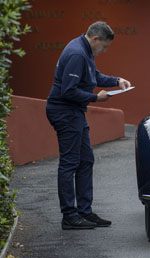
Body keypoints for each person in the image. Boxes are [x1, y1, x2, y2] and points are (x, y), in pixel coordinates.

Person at [46, 21, 131, 230]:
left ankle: (84, 212)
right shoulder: (77, 53)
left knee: (85, 160)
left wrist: (117, 80)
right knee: (70, 163)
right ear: (95, 39)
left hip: (74, 112)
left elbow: (94, 76)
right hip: (64, 111)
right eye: (104, 46)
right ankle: (69, 215)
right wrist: (96, 98)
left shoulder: (84, 50)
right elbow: (68, 91)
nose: (104, 50)